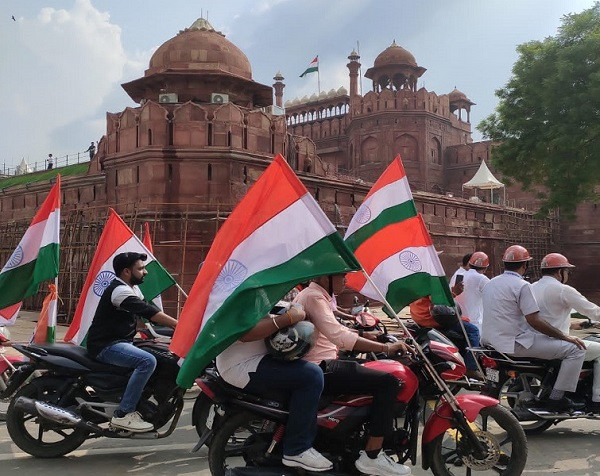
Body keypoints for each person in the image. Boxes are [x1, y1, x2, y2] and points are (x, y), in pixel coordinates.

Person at [295, 275, 412, 476]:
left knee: (376, 369)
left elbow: (334, 328)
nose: (346, 281)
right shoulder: (314, 297)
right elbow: (340, 337)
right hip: (322, 366)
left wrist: (367, 335)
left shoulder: (316, 295)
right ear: (326, 277)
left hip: (325, 361)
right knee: (388, 382)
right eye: (342, 276)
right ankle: (372, 455)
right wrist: (387, 347)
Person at [215, 305, 331, 472]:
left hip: (256, 357)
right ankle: (297, 449)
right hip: (243, 365)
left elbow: (272, 310)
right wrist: (288, 318)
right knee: (312, 376)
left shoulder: (259, 292)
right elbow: (247, 333)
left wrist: (291, 311)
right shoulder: (244, 293)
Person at [481, 245, 586, 412]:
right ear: (525, 265)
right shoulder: (522, 285)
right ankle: (557, 398)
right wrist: (566, 337)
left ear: (504, 264)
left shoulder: (490, 283)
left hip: (490, 342)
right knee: (576, 349)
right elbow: (534, 320)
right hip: (515, 344)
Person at [87, 252, 178, 432]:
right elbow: (148, 312)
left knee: (162, 353)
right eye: (141, 268)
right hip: (106, 345)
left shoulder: (132, 288)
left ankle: (144, 401)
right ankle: (124, 413)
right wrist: (179, 325)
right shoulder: (119, 291)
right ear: (127, 272)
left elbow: (150, 314)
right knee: (147, 361)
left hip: (122, 341)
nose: (145, 272)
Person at [531, 253, 600, 411]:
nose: (568, 275)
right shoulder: (563, 290)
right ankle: (597, 398)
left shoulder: (532, 287)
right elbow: (593, 311)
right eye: (567, 271)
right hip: (556, 343)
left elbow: (550, 316)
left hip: (535, 341)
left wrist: (581, 324)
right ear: (560, 272)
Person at [409, 296, 482, 380]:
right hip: (434, 319)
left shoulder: (415, 287)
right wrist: (454, 293)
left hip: (419, 319)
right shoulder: (431, 285)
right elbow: (441, 302)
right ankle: (471, 367)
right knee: (473, 330)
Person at [456, 251, 490, 331]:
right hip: (475, 324)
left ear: (470, 264)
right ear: (485, 269)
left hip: (459, 321)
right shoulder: (482, 279)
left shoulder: (459, 275)